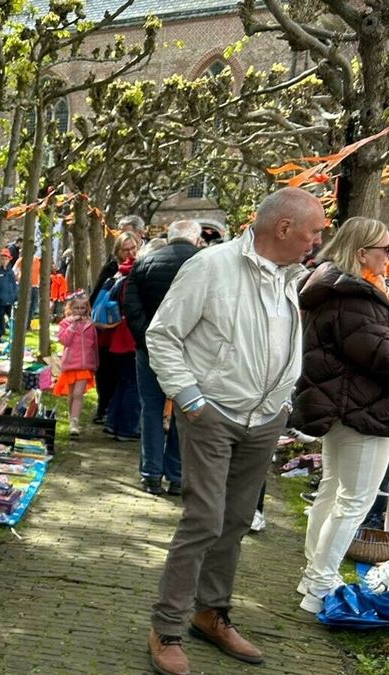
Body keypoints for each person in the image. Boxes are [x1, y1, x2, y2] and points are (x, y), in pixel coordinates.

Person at [145, 187, 325, 675]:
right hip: (212, 414)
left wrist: (281, 404)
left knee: (238, 519)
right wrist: (190, 399)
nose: (317, 241)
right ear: (283, 228)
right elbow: (163, 335)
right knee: (204, 518)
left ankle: (211, 612)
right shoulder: (211, 266)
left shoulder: (289, 275)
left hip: (264, 420)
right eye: (313, 231)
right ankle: (167, 627)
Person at [292, 217, 389, 613]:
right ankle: (320, 584)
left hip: (343, 406)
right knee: (354, 500)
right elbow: (383, 359)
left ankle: (314, 576)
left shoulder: (335, 288)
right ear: (361, 253)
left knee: (334, 492)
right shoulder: (353, 297)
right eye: (384, 248)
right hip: (361, 409)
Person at [123, 220, 202, 496]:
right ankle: (177, 476)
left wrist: (146, 339)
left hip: (151, 349)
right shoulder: (206, 263)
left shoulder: (145, 262)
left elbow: (131, 305)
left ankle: (151, 474)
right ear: (196, 238)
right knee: (185, 410)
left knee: (151, 409)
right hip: (191, 351)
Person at [91, 232, 139, 427]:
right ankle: (105, 410)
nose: (130, 253)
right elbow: (97, 297)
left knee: (121, 377)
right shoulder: (112, 269)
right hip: (109, 331)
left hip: (121, 331)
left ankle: (112, 415)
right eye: (125, 250)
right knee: (108, 374)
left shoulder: (138, 267)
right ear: (118, 251)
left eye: (133, 248)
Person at [54, 292, 97, 437]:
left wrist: (95, 363)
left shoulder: (90, 324)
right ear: (70, 308)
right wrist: (72, 326)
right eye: (76, 308)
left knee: (79, 393)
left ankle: (74, 421)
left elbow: (94, 345)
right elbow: (64, 341)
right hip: (71, 363)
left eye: (82, 308)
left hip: (85, 365)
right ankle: (71, 416)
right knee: (72, 394)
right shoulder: (65, 323)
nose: (79, 311)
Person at [0, 251, 18, 335]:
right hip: (0, 300)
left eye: (6, 259)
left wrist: (15, 296)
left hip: (10, 300)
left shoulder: (11, 272)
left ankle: (14, 335)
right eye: (2, 259)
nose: (4, 261)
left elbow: (14, 285)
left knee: (12, 318)